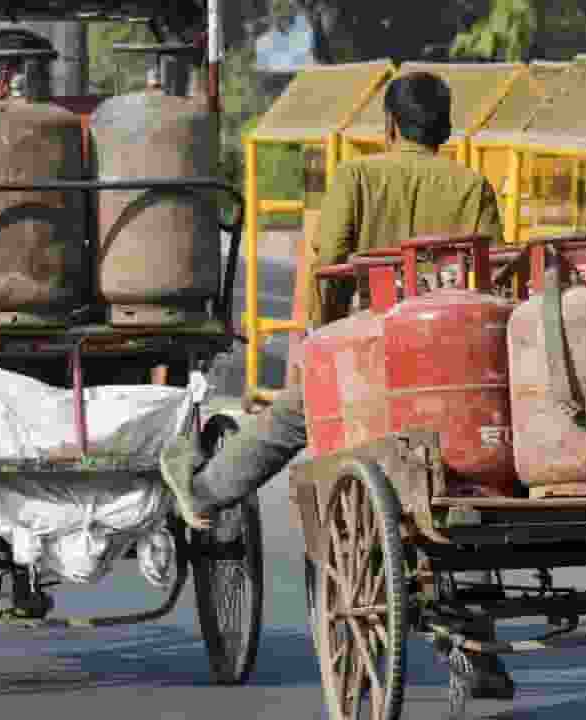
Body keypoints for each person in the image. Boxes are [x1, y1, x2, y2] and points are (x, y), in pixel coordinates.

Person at [160, 71, 515, 699]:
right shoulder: (472, 186)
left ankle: (206, 492)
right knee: (470, 474)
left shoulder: (358, 177)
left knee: (286, 423)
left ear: (389, 128)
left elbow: (327, 267)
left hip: (367, 356)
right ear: (446, 129)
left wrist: (315, 341)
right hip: (450, 362)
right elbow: (490, 280)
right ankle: (479, 644)